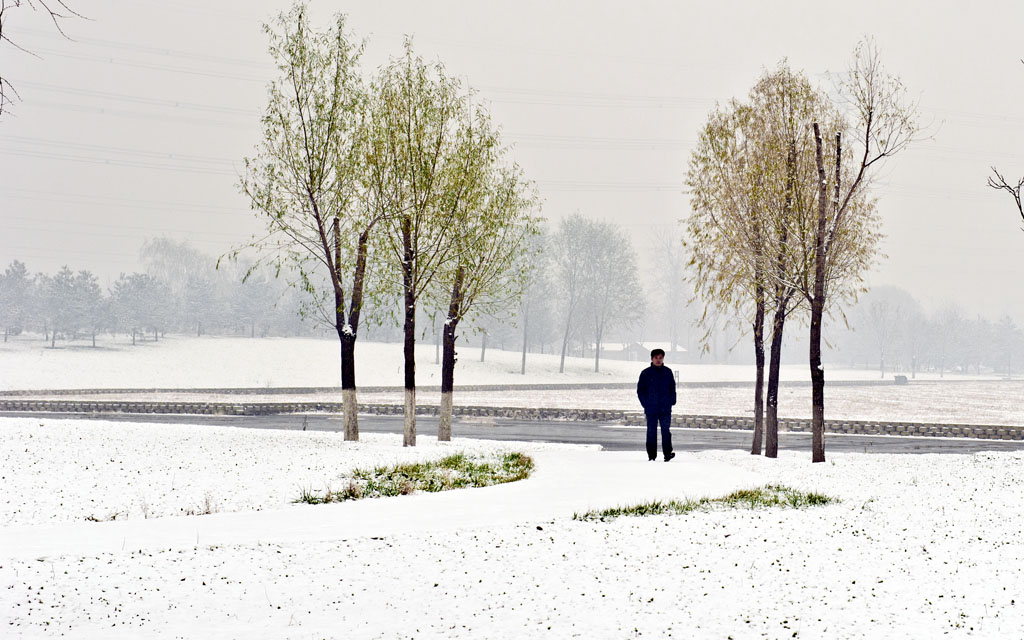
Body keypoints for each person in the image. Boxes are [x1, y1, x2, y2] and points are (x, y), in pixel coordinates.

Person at [636, 348, 676, 462]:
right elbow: (640, 391)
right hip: (651, 408)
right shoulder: (646, 373)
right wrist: (646, 404)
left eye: (660, 358)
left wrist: (672, 401)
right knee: (651, 432)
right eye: (656, 358)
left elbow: (672, 388)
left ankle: (667, 453)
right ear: (651, 359)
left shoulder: (668, 372)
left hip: (665, 408)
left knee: (666, 431)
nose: (658, 360)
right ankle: (651, 456)